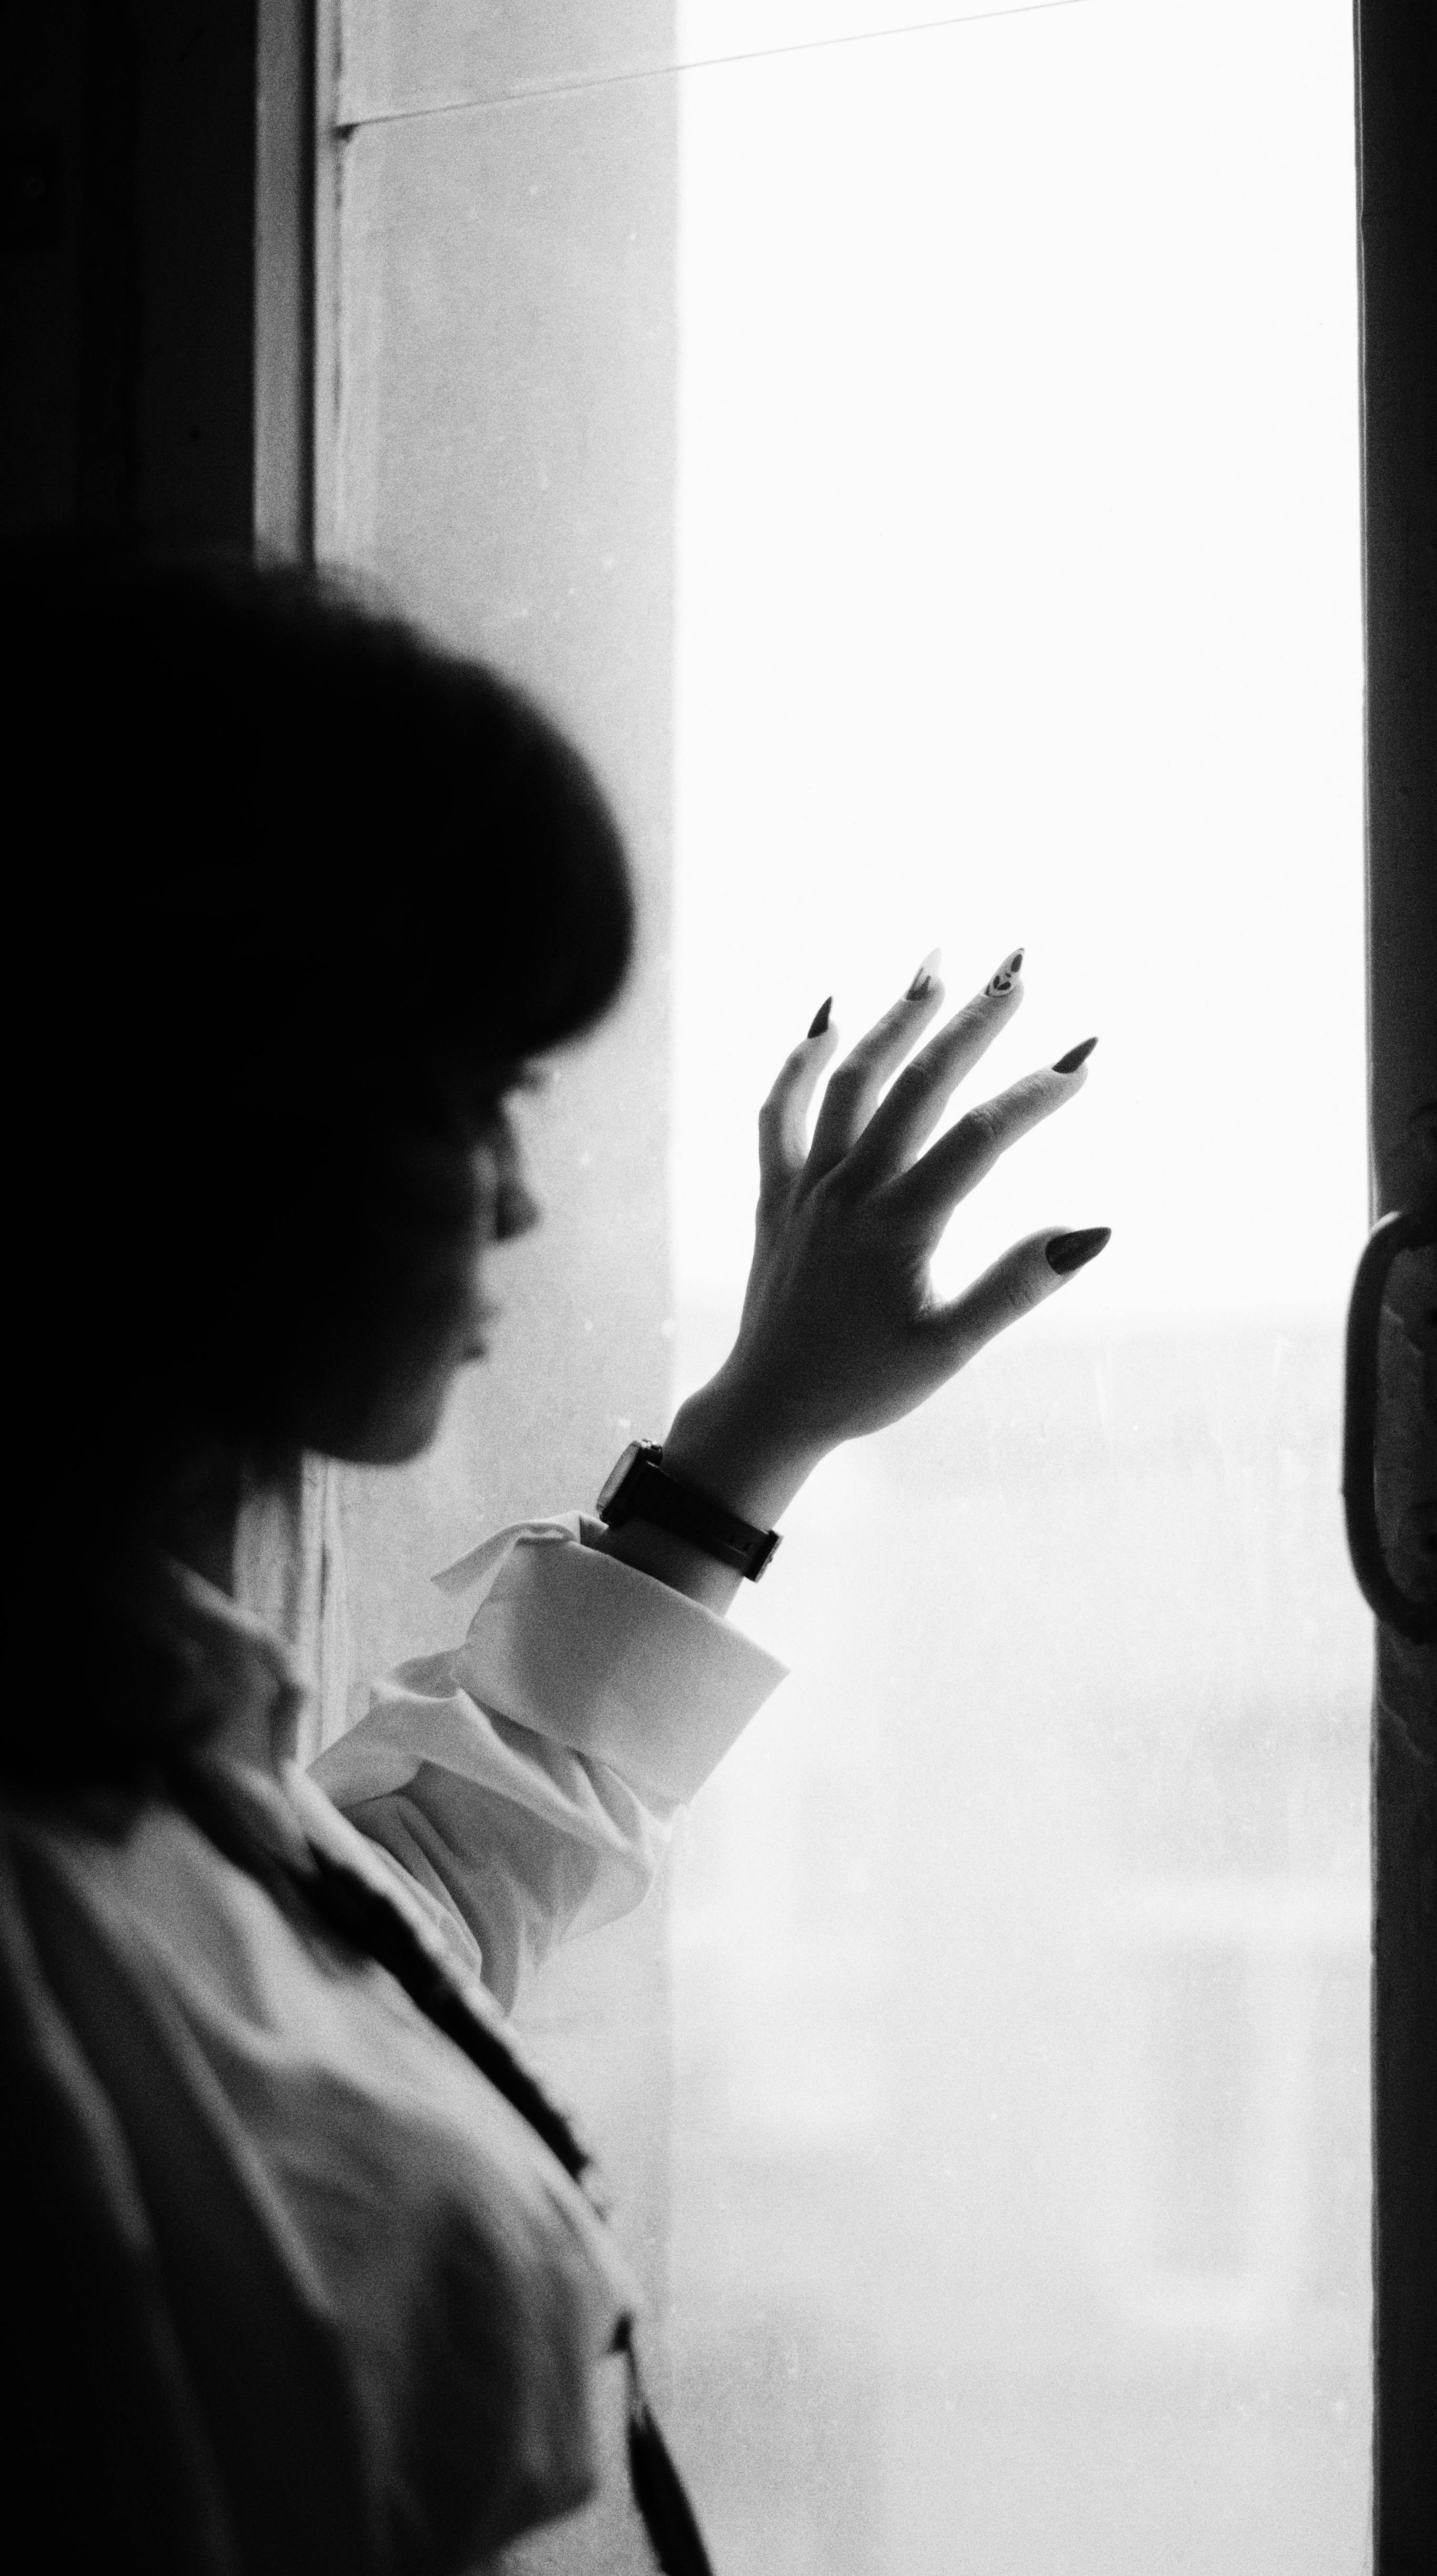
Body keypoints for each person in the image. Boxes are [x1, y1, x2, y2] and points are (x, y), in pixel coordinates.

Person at [0, 541, 1109, 2573]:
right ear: (173, 1096)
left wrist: (754, 1435)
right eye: (467, 1094)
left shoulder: (136, 1759)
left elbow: (389, 1917)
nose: (517, 1200)